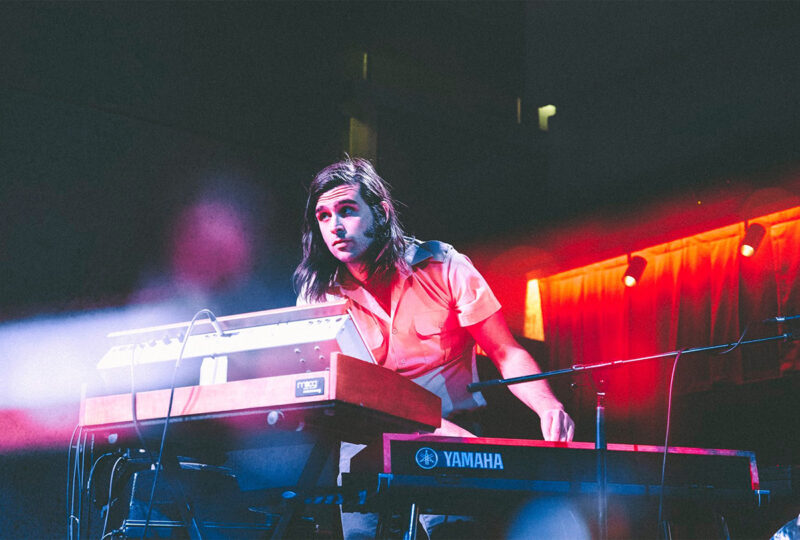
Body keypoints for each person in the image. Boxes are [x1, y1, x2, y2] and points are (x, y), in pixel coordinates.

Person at [294, 157, 575, 537]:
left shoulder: (444, 265)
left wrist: (548, 405)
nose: (336, 227)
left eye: (347, 210)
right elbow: (326, 391)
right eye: (324, 216)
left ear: (381, 212)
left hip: (451, 444)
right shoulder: (317, 297)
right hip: (362, 448)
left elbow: (505, 351)